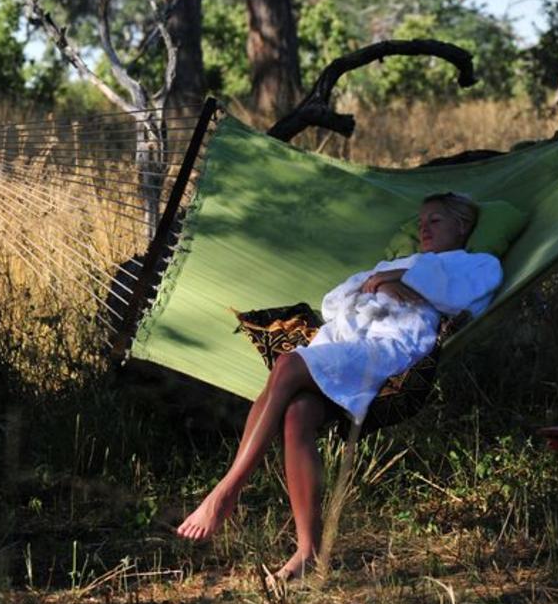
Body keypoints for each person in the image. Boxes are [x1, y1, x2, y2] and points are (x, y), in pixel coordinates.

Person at [176, 192, 503, 581]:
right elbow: (333, 302)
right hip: (342, 346)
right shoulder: (392, 264)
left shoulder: (477, 263)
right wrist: (382, 280)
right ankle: (308, 552)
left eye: (435, 220)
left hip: (389, 349)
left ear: (462, 225)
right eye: (420, 223)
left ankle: (227, 490)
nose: (424, 229)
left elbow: (465, 298)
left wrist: (393, 281)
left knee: (287, 363)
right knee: (297, 414)